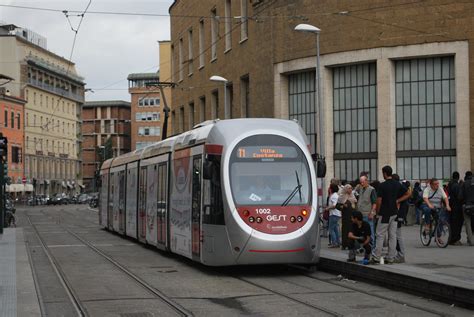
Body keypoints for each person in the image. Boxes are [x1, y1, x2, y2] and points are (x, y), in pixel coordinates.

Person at [372, 166, 410, 264]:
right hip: (395, 213)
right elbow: (408, 193)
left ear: (384, 173)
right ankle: (390, 257)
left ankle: (376, 256)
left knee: (380, 235)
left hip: (384, 213)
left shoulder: (382, 185)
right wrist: (398, 200)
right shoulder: (397, 184)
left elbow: (379, 200)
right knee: (392, 235)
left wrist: (377, 212)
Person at [355, 175, 376, 247]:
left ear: (367, 181)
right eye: (360, 182)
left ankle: (372, 247)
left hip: (367, 214)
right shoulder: (360, 189)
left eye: (363, 182)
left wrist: (372, 213)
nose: (362, 184)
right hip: (361, 214)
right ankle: (364, 247)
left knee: (370, 231)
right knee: (362, 232)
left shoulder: (371, 189)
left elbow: (374, 203)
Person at [337, 184, 357, 250]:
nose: (350, 190)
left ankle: (350, 244)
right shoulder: (342, 196)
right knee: (345, 230)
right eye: (349, 188)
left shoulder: (353, 196)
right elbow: (337, 206)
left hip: (352, 216)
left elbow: (355, 204)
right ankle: (344, 244)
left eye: (351, 188)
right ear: (345, 189)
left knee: (351, 230)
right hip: (345, 216)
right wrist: (342, 206)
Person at [458, 171, 474, 246]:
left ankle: (471, 240)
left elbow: (460, 196)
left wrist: (463, 202)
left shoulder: (464, 183)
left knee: (468, 223)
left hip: (467, 206)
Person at [448, 172, 463, 245]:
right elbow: (459, 197)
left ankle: (451, 239)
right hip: (457, 207)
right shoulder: (456, 186)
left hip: (451, 207)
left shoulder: (450, 185)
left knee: (452, 224)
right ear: (458, 177)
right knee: (457, 224)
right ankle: (455, 239)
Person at [325, 183, 341, 248]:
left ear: (331, 189)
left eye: (329, 187)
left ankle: (334, 243)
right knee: (335, 229)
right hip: (336, 214)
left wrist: (327, 208)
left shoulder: (334, 196)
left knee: (331, 229)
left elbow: (334, 205)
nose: (328, 188)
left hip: (334, 214)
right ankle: (338, 242)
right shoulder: (334, 195)